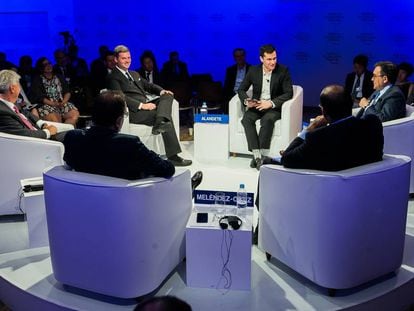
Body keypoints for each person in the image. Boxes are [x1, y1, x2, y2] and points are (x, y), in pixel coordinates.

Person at [63, 90, 202, 189]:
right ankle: (187, 189)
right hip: (130, 207)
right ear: (119, 121)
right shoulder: (129, 144)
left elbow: (69, 164)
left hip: (83, 203)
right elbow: (167, 169)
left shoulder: (72, 137)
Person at [106, 45, 191, 166]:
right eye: (123, 58)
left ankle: (161, 120)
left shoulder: (134, 73)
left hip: (147, 105)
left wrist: (161, 91)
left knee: (167, 96)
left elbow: (149, 86)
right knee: (164, 116)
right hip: (134, 112)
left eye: (129, 57)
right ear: (116, 60)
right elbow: (120, 97)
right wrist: (141, 105)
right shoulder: (113, 77)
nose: (127, 60)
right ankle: (173, 155)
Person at [274, 85, 383, 170]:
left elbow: (287, 159)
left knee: (268, 162)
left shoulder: (318, 137)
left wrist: (309, 129)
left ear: (324, 111)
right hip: (368, 185)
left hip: (323, 187)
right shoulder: (372, 124)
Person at [237, 44, 293, 170]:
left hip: (273, 108)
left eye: (274, 58)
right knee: (246, 119)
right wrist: (247, 101)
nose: (273, 62)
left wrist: (271, 103)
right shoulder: (253, 71)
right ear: (261, 59)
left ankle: (261, 156)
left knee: (267, 120)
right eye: (269, 59)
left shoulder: (283, 71)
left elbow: (289, 93)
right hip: (257, 106)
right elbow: (241, 90)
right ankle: (257, 156)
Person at [0, 69, 64, 141]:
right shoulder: (2, 111)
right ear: (12, 88)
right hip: (38, 142)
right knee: (74, 135)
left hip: (40, 134)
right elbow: (23, 134)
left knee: (73, 133)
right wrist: (48, 132)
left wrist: (42, 125)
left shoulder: (8, 104)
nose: (20, 89)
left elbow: (25, 114)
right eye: (18, 84)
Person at [31, 57, 79, 125]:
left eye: (49, 63)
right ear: (41, 67)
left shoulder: (59, 77)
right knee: (55, 119)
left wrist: (63, 102)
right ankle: (61, 133)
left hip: (62, 103)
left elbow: (67, 92)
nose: (48, 66)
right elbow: (39, 97)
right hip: (46, 105)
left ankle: (67, 132)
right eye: (45, 65)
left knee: (74, 114)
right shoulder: (37, 80)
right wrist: (53, 104)